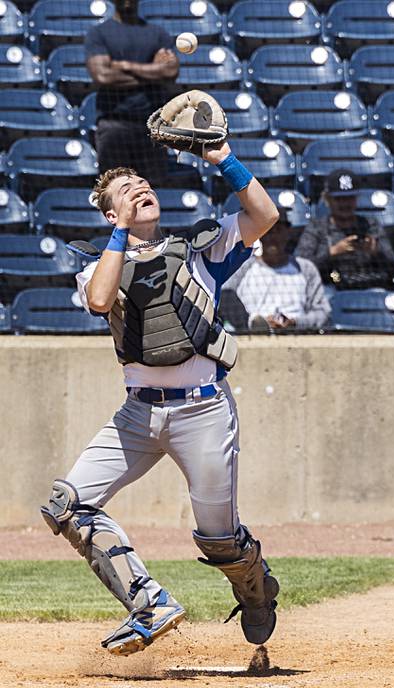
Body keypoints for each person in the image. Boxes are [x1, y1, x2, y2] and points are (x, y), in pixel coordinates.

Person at [41, 137, 282, 656]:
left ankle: (255, 585)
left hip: (203, 410)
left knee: (218, 538)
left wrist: (222, 158)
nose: (140, 190)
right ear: (110, 214)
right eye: (126, 191)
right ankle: (149, 603)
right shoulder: (98, 262)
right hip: (138, 412)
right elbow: (100, 299)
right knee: (67, 506)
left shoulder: (197, 249)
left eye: (144, 185)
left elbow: (264, 214)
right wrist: (122, 233)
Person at [85, 0, 178, 185]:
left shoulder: (157, 33)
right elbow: (103, 76)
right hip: (114, 125)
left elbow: (170, 71)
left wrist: (124, 66)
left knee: (151, 191)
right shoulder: (99, 33)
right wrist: (152, 72)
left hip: (153, 127)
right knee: (114, 190)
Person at [295, 169, 394, 291]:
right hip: (329, 287)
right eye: (339, 199)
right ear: (327, 199)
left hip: (368, 286)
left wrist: (375, 251)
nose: (345, 204)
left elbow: (393, 265)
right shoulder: (317, 227)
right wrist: (332, 252)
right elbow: (301, 266)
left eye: (349, 198)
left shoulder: (370, 225)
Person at [234, 209, 331, 332]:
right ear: (260, 234)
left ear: (288, 232)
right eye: (268, 231)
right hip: (252, 338)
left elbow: (322, 311)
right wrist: (252, 322)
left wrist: (295, 323)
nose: (273, 237)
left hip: (298, 338)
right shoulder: (242, 267)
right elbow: (225, 297)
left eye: (278, 231)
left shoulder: (305, 268)